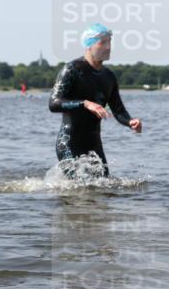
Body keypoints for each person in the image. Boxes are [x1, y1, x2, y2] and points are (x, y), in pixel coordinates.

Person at [48, 23, 142, 177]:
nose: (108, 47)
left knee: (104, 189)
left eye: (109, 42)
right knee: (77, 191)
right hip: (69, 142)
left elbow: (118, 110)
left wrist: (130, 121)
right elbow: (53, 103)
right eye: (102, 43)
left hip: (94, 144)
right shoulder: (72, 69)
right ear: (89, 45)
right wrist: (84, 103)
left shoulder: (109, 77)